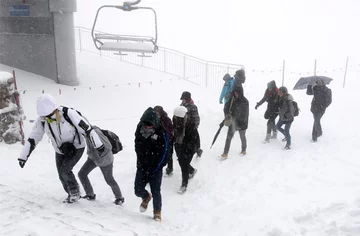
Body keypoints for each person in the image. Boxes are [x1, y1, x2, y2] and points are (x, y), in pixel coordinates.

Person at [18, 94, 104, 203]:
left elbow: (87, 129)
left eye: (49, 115)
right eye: (45, 116)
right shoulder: (42, 120)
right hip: (60, 150)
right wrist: (23, 157)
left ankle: (75, 192)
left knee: (65, 170)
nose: (47, 118)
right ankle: (70, 194)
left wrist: (99, 146)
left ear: (55, 109)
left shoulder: (69, 114)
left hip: (76, 148)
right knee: (61, 175)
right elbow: (33, 138)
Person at [134, 107, 169, 222]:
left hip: (155, 169)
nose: (147, 127)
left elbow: (165, 154)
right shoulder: (139, 128)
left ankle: (157, 212)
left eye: (150, 125)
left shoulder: (161, 133)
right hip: (142, 166)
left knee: (156, 191)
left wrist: (156, 167)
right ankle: (145, 196)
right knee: (138, 190)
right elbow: (137, 144)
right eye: (145, 125)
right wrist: (140, 161)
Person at [78, 125, 124, 205]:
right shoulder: (86, 132)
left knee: (109, 179)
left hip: (105, 160)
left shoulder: (95, 132)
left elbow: (108, 146)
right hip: (93, 158)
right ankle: (90, 195)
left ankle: (119, 198)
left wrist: (99, 155)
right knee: (82, 174)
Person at [173, 106, 199, 194]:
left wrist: (188, 149)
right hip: (179, 143)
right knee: (181, 160)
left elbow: (194, 139)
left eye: (178, 118)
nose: (176, 119)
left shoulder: (190, 124)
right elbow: (174, 130)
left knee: (184, 163)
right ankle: (191, 170)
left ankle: (184, 184)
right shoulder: (175, 119)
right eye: (175, 117)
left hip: (189, 145)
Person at [221, 86, 249, 159]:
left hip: (242, 123)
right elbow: (226, 107)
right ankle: (225, 153)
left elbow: (244, 114)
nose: (236, 94)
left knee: (242, 136)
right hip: (233, 121)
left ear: (240, 93)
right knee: (229, 137)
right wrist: (227, 114)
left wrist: (240, 123)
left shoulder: (245, 101)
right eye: (234, 92)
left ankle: (243, 150)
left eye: (237, 93)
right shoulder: (232, 99)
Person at [180, 91, 202, 158]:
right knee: (184, 140)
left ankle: (198, 150)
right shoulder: (181, 106)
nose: (183, 101)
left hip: (191, 127)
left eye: (184, 99)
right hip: (183, 127)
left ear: (188, 99)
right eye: (182, 99)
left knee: (192, 141)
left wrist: (194, 127)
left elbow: (196, 118)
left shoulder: (193, 107)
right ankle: (183, 152)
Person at [154, 106, 174, 176]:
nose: (157, 114)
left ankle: (170, 168)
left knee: (169, 155)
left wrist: (165, 137)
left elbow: (170, 130)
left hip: (168, 140)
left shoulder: (167, 120)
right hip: (158, 141)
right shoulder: (153, 119)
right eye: (156, 113)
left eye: (158, 112)